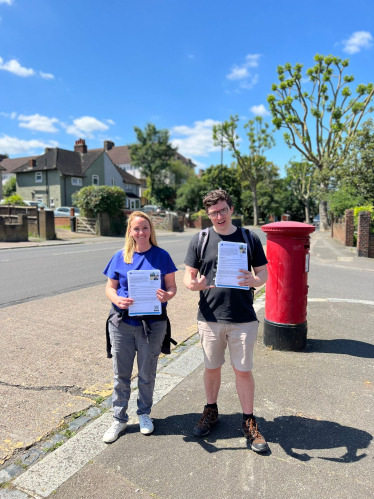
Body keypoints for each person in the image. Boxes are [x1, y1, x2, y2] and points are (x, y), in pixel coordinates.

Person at [183, 189, 269, 452]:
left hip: (242, 317)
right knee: (212, 367)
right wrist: (194, 285)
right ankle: (211, 411)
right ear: (208, 214)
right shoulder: (201, 238)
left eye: (222, 210)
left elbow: (263, 272)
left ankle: (248, 421)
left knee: (243, 370)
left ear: (231, 209)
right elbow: (188, 277)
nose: (218, 216)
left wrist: (255, 281)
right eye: (212, 213)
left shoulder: (248, 237)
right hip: (210, 317)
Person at [103, 211, 177, 443]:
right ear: (130, 231)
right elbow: (110, 287)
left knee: (146, 373)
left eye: (145, 228)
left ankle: (144, 413)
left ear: (150, 230)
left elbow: (172, 287)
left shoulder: (162, 256)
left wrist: (166, 296)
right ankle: (119, 418)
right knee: (121, 374)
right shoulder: (120, 256)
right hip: (122, 323)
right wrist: (116, 300)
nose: (141, 232)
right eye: (136, 229)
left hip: (153, 325)